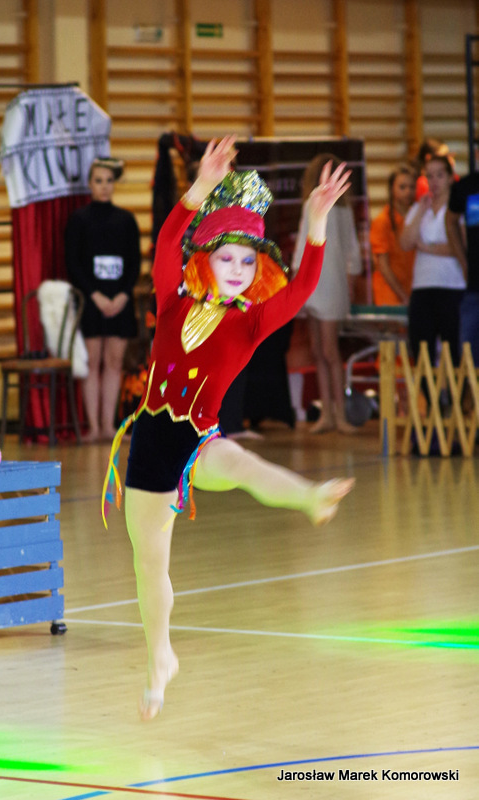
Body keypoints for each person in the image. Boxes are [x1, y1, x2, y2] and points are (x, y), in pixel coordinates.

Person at [102, 136, 354, 721]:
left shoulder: (251, 322)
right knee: (149, 567)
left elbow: (302, 288)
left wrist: (316, 222)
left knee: (239, 462)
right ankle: (160, 657)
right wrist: (199, 188)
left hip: (199, 442)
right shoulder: (172, 298)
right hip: (150, 447)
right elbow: (169, 239)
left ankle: (310, 497)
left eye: (248, 262)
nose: (239, 271)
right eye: (227, 259)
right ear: (205, 259)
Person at [65, 157, 141, 442]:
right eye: (98, 181)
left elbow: (134, 263)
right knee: (92, 361)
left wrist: (122, 295)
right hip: (91, 302)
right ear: (89, 184)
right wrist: (95, 296)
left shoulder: (126, 220)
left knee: (114, 362)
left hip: (119, 301)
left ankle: (109, 426)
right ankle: (93, 427)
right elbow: (73, 263)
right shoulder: (79, 219)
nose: (104, 186)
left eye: (109, 181)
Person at [290, 153, 362, 433]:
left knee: (329, 350)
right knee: (319, 350)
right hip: (317, 282)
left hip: (329, 283)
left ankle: (339, 414)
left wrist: (350, 280)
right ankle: (328, 415)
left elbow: (349, 247)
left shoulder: (338, 208)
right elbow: (303, 244)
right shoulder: (317, 204)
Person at [399, 154, 466, 366]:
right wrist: (421, 211)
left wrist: (426, 247)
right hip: (422, 286)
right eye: (430, 176)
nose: (434, 181)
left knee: (454, 349)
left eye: (439, 175)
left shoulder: (458, 208)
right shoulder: (419, 208)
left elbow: (459, 247)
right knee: (421, 349)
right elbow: (405, 243)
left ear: (450, 177)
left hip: (452, 284)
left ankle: (455, 387)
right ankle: (427, 388)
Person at [369, 165, 416, 306]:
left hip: (412, 289)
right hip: (389, 293)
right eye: (402, 187)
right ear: (391, 189)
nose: (408, 191)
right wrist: (403, 296)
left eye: (412, 187)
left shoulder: (416, 217)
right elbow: (383, 266)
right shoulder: (382, 221)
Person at [446, 168, 479, 362]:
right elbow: (450, 221)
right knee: (469, 354)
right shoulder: (465, 186)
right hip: (474, 284)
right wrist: (463, 261)